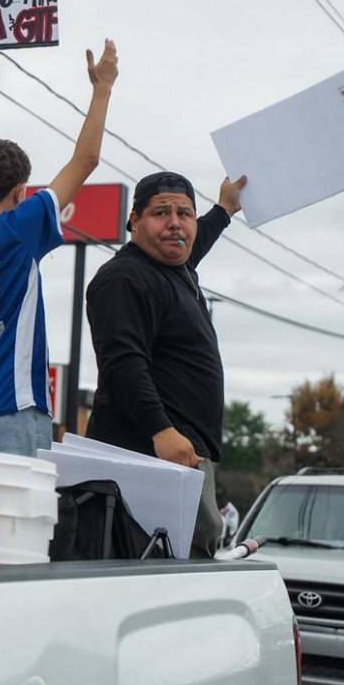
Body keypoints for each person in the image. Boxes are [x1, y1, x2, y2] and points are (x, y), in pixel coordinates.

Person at [0, 40, 119, 455]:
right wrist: (102, 87)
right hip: (9, 410)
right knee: (20, 519)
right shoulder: (20, 228)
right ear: (20, 192)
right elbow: (84, 161)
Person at [84, 169, 247, 557]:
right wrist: (161, 429)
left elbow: (194, 238)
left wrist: (223, 209)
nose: (176, 224)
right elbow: (122, 363)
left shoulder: (177, 268)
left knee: (193, 557)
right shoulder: (124, 278)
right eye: (161, 213)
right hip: (147, 457)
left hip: (183, 455)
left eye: (184, 214)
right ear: (134, 221)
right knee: (165, 568)